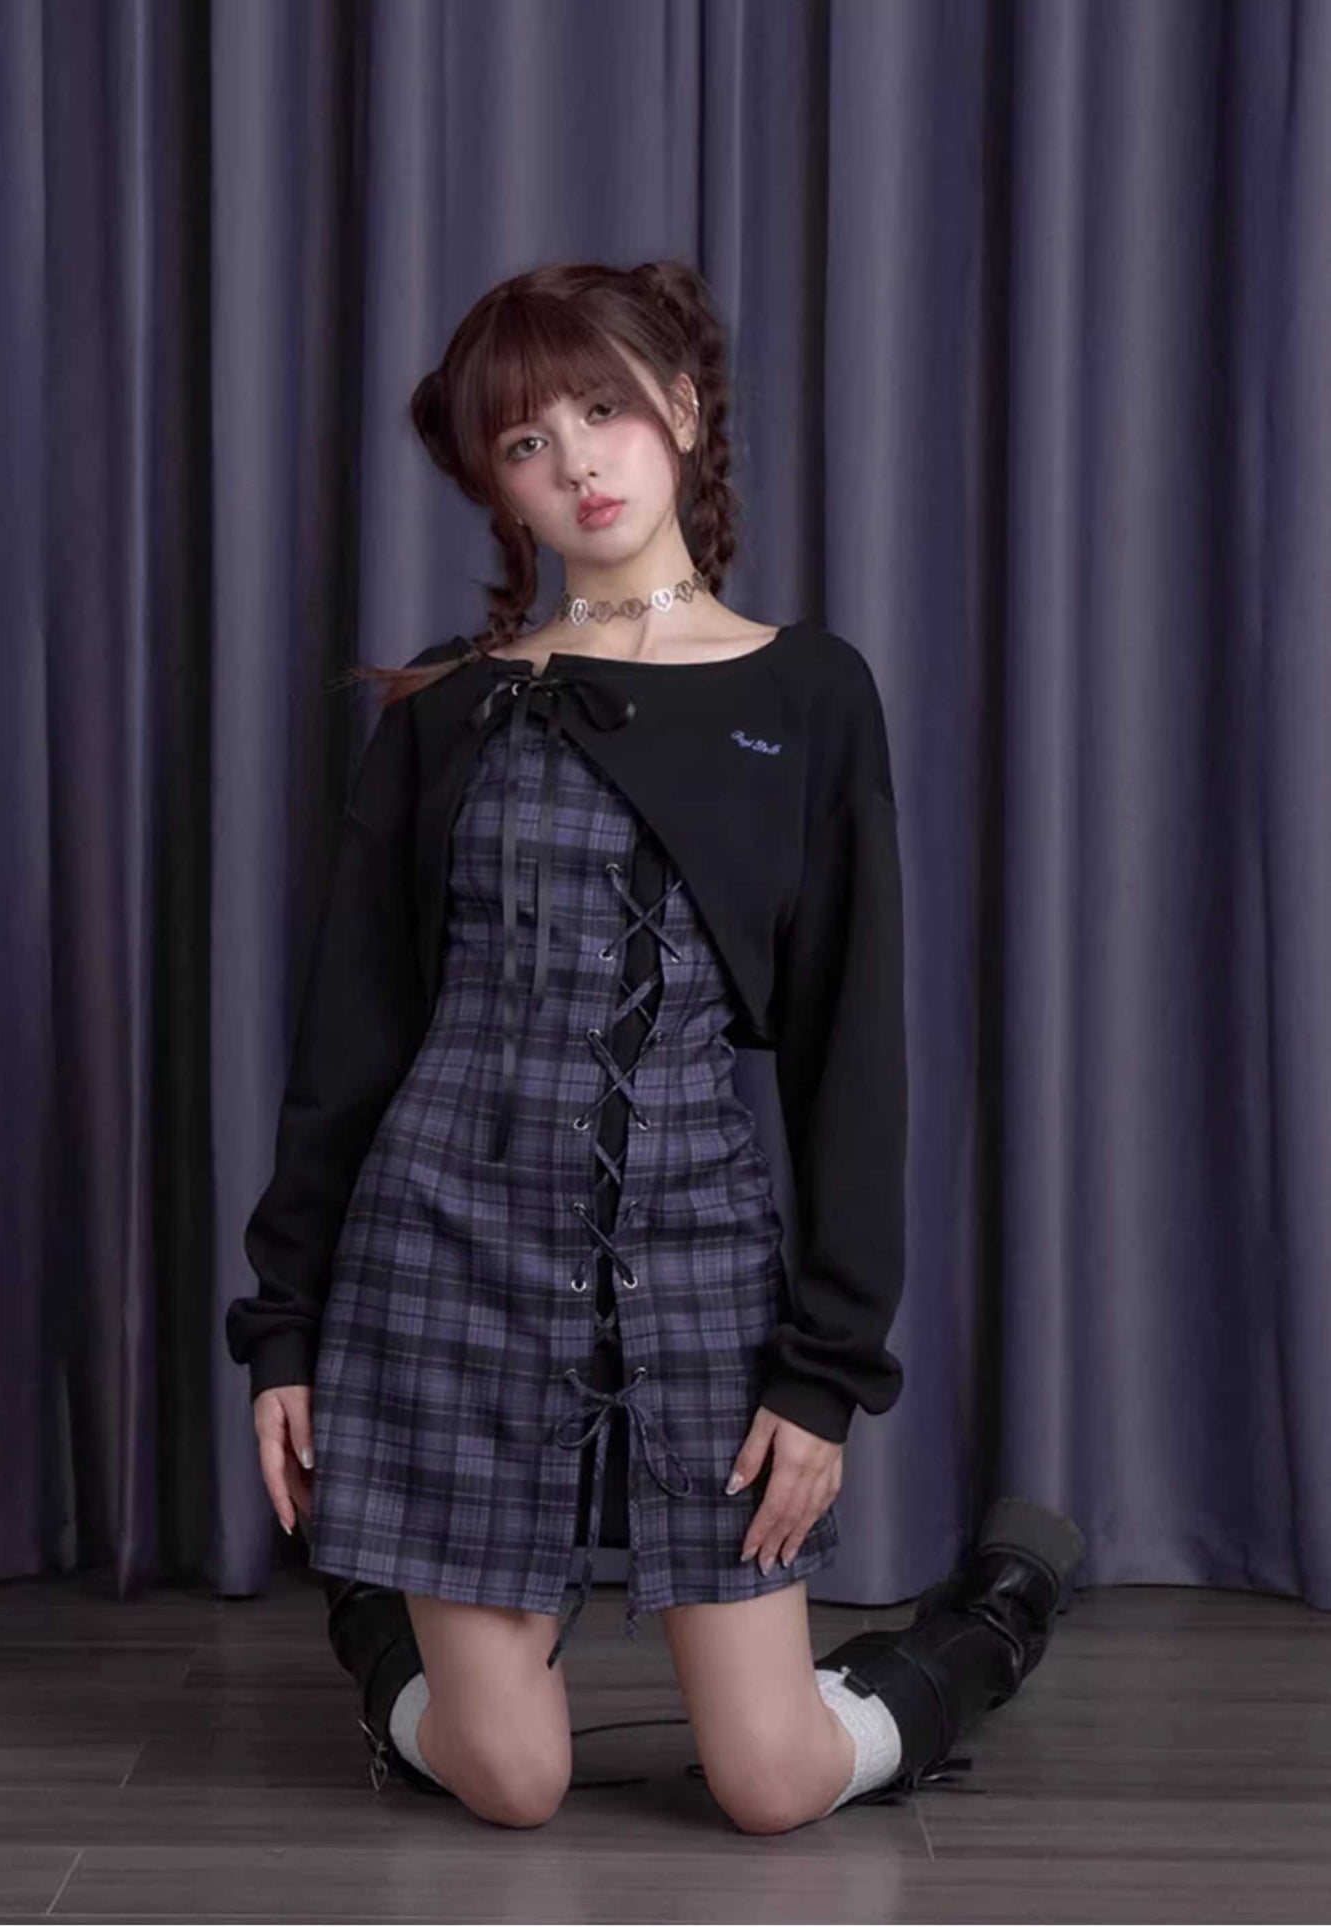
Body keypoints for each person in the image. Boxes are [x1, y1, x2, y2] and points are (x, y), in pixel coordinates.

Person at [225, 258, 1086, 1833]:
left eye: (601, 409)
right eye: (524, 442)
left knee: (772, 1782)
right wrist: (282, 1328)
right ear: (496, 485)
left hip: (696, 1251)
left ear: (682, 411)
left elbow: (848, 1049)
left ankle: (996, 1611)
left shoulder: (809, 692)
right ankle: (382, 1616)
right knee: (512, 1782)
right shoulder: (441, 716)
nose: (576, 463)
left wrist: (824, 1372)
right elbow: (349, 1043)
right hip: (441, 1249)